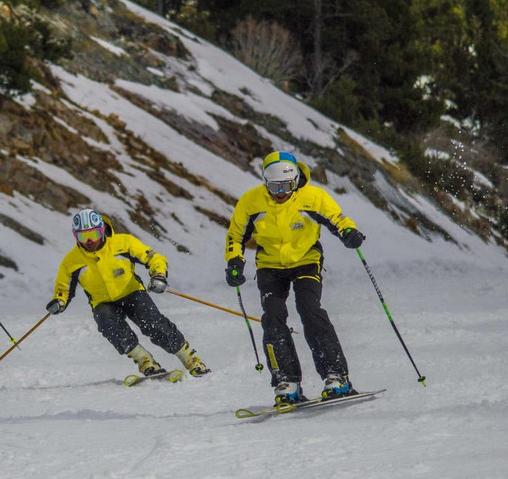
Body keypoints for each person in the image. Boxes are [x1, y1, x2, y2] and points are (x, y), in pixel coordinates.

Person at [224, 151, 365, 406]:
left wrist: (349, 232)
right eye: (275, 186)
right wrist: (234, 262)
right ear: (265, 182)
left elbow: (338, 219)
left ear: (296, 180)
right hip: (269, 265)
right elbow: (235, 236)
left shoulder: (313, 197)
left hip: (306, 259)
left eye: (287, 185)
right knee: (273, 318)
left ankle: (337, 376)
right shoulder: (251, 201)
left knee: (309, 308)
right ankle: (287, 381)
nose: (281, 192)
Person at [46, 209, 209, 378]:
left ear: (102, 231)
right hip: (103, 303)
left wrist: (158, 275)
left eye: (94, 234)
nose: (89, 241)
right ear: (75, 236)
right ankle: (145, 361)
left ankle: (191, 359)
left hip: (132, 292)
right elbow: (63, 289)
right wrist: (59, 301)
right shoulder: (71, 261)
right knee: (107, 323)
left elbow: (153, 258)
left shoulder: (123, 243)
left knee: (153, 323)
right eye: (82, 236)